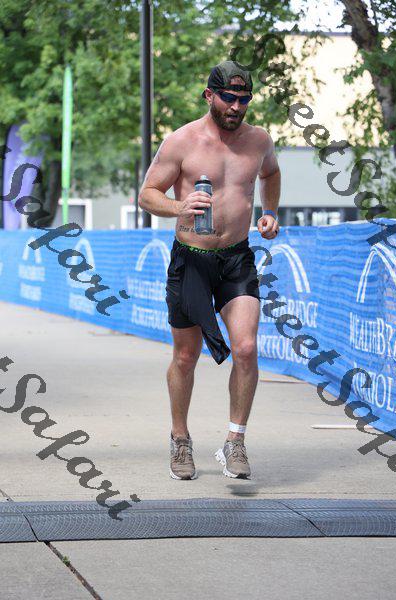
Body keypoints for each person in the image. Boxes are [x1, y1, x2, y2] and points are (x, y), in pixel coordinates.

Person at [138, 60, 280, 481]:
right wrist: (179, 206)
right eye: (229, 98)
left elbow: (271, 173)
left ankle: (235, 440)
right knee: (186, 356)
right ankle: (180, 438)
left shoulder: (259, 140)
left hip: (237, 258)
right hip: (191, 259)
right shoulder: (182, 141)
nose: (236, 107)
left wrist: (270, 211)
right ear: (209, 95)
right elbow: (147, 194)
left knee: (247, 348)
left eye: (244, 99)